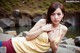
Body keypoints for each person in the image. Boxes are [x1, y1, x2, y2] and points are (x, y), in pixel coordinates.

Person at [0, 2, 68, 53]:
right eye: (53, 14)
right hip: (15, 46)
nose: (56, 17)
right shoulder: (42, 22)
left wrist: (52, 40)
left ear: (63, 15)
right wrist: (42, 29)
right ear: (49, 15)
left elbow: (54, 49)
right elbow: (28, 37)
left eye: (59, 14)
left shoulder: (64, 29)